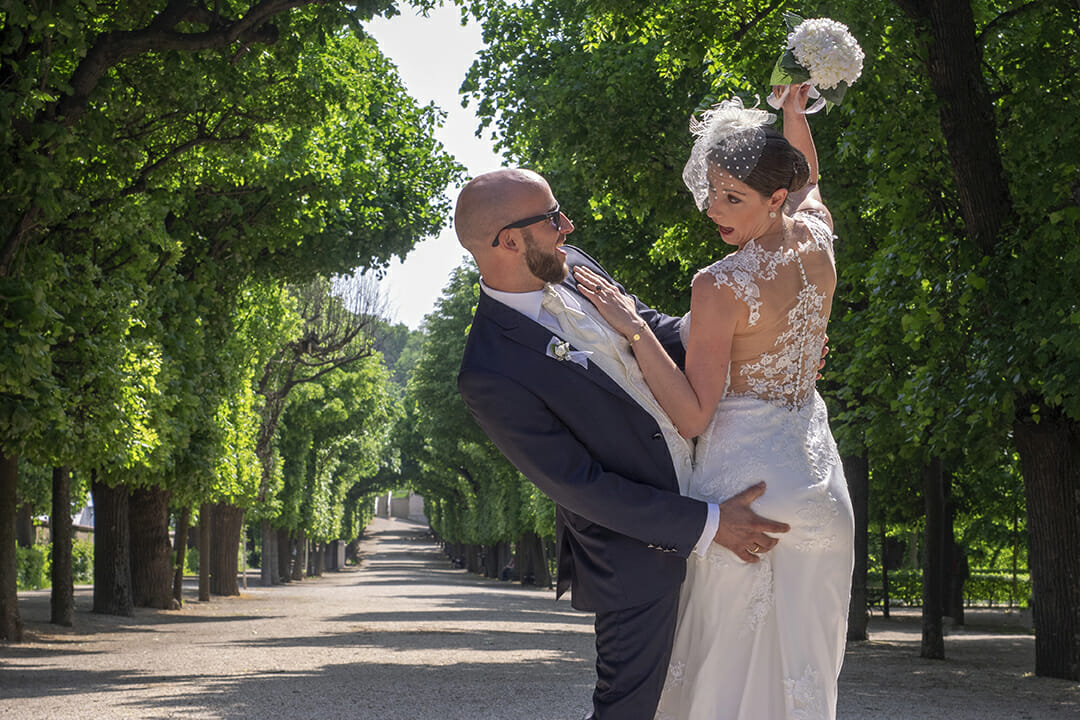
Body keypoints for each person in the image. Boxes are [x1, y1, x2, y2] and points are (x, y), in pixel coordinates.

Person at [454, 167, 792, 720]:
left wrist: (754, 334)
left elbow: (653, 330)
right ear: (509, 241)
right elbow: (582, 488)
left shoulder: (574, 263)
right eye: (551, 219)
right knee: (630, 710)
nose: (568, 225)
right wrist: (708, 523)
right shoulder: (488, 371)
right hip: (640, 557)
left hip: (720, 473)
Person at [574, 84, 855, 719]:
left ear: (774, 196)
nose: (714, 210)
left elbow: (695, 413)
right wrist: (793, 114)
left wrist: (635, 328)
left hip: (743, 493)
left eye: (733, 198)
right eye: (712, 193)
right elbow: (812, 180)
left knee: (719, 677)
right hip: (819, 488)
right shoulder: (818, 237)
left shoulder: (719, 284)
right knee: (801, 678)